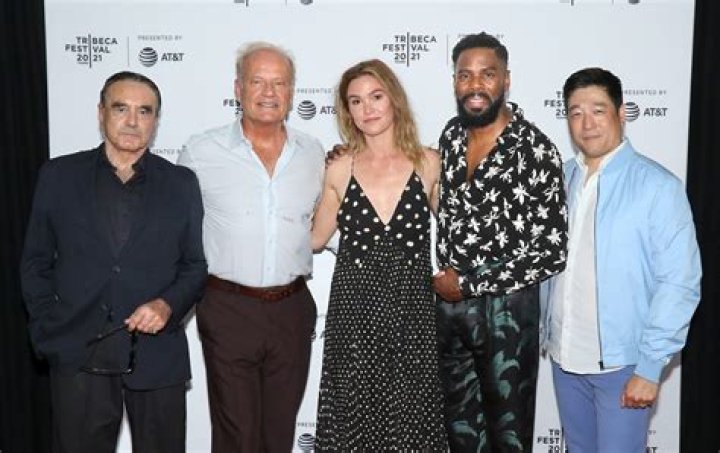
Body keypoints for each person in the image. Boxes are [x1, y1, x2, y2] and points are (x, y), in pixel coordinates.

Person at [20, 71, 207, 453]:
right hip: (78, 349)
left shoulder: (181, 183)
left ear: (156, 120)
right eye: (121, 108)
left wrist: (167, 305)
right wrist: (47, 327)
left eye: (145, 111)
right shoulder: (58, 176)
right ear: (101, 112)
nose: (133, 121)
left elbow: (194, 266)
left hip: (157, 354)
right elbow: (35, 262)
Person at [544, 67, 701, 453]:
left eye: (598, 110)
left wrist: (650, 366)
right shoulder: (559, 180)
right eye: (576, 112)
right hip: (565, 360)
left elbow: (679, 281)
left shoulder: (658, 186)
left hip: (623, 366)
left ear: (620, 112)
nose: (587, 123)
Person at [177, 42, 324, 453]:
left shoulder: (313, 153)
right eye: (258, 81)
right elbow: (174, 231)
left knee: (278, 433)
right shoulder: (200, 152)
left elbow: (321, 225)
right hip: (228, 308)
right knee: (236, 434)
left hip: (292, 309)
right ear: (238, 88)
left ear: (292, 92)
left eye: (280, 82)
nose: (269, 92)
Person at [433, 32, 568, 452]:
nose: (475, 85)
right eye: (465, 75)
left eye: (487, 74)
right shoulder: (451, 136)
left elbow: (551, 251)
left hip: (507, 315)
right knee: (459, 436)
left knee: (509, 437)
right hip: (450, 311)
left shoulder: (536, 150)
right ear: (455, 82)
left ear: (506, 80)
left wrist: (469, 284)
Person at [311, 58, 447, 451]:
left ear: (394, 100)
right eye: (356, 101)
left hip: (412, 313)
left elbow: (457, 233)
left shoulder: (428, 163)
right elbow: (315, 240)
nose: (367, 108)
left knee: (412, 417)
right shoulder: (340, 169)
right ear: (347, 112)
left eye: (376, 96)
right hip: (354, 316)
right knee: (355, 416)